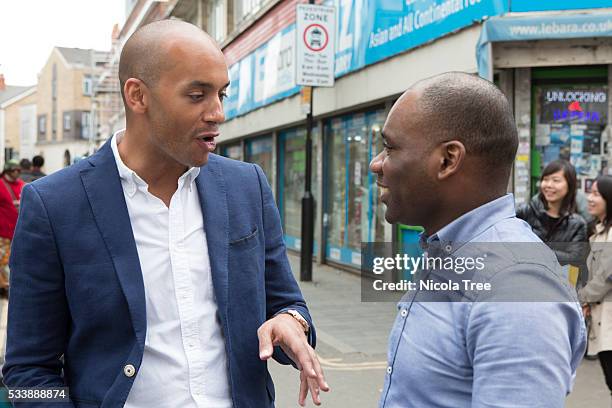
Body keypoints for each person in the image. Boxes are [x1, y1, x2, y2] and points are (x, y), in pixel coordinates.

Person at [4, 20, 328, 408]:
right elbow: (27, 372)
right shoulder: (54, 204)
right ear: (138, 96)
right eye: (197, 95)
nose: (218, 113)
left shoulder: (246, 186)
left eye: (221, 94)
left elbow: (287, 303)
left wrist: (291, 322)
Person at [369, 72, 585, 407]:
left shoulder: (516, 290)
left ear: (448, 160)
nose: (376, 164)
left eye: (389, 148)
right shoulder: (448, 251)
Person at [516, 160, 588, 269]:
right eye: (545, 179)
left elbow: (576, 259)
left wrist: (536, 250)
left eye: (556, 180)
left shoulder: (577, 224)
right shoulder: (525, 212)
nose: (549, 185)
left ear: (570, 185)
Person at [578, 175, 612, 403]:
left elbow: (605, 279)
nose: (590, 198)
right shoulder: (599, 231)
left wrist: (580, 299)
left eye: (597, 194)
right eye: (590, 192)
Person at [0, 160, 24, 278]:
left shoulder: (22, 185)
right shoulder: (0, 184)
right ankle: (5, 288)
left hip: (19, 232)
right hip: (3, 233)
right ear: (8, 170)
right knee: (3, 261)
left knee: (16, 261)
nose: (17, 173)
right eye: (14, 170)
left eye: (19, 170)